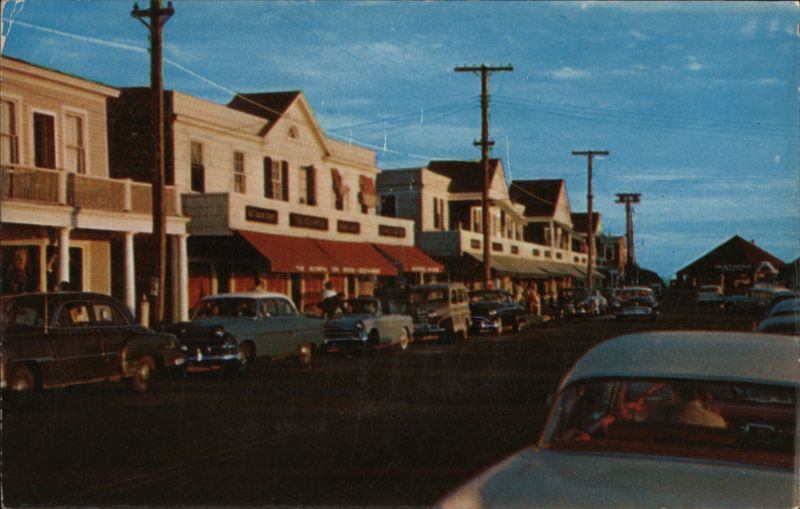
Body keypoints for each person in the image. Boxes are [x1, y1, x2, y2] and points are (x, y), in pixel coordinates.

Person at [648, 381, 726, 428]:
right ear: (702, 395)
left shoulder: (658, 414)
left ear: (674, 393)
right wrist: (714, 416)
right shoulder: (717, 422)